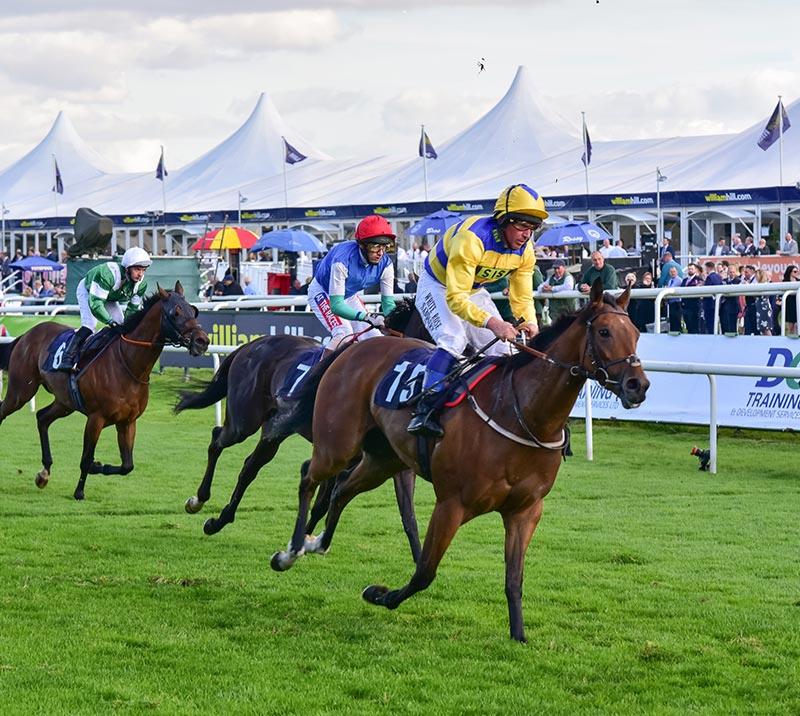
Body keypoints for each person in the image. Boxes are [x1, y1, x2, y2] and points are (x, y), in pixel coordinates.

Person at [408, 183, 545, 437]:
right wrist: (494, 323)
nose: (527, 235)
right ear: (504, 220)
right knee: (454, 339)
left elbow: (522, 295)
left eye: (533, 228)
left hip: (472, 289)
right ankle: (424, 409)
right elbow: (456, 298)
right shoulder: (472, 238)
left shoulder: (525, 251)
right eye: (522, 226)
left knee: (504, 349)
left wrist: (529, 323)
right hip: (438, 285)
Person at [308, 214, 396, 354]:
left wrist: (394, 323)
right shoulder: (342, 260)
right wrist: (367, 317)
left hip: (349, 295)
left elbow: (388, 305)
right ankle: (318, 375)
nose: (380, 253)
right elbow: (336, 306)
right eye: (375, 246)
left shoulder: (386, 265)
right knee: (343, 333)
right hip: (323, 292)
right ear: (361, 245)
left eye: (385, 246)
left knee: (374, 337)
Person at [60, 247, 152, 371]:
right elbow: (96, 304)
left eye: (143, 270)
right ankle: (67, 358)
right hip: (89, 291)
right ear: (127, 268)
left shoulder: (141, 285)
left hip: (109, 297)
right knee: (90, 325)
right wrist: (110, 322)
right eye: (137, 269)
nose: (140, 274)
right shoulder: (108, 274)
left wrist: (127, 325)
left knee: (122, 325)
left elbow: (133, 309)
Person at [679, 263, 703, 334]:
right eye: (689, 269)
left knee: (695, 327)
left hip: (694, 307)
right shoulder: (684, 280)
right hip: (685, 306)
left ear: (695, 270)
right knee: (688, 326)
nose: (690, 270)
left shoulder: (699, 280)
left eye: (692, 269)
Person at [701, 260, 722, 334]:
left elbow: (707, 290)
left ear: (708, 268)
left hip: (709, 305)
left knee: (710, 324)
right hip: (716, 304)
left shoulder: (710, 277)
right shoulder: (718, 276)